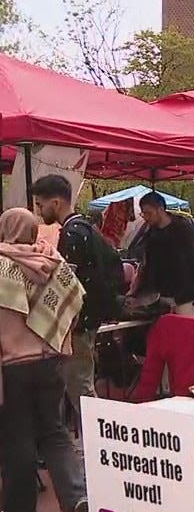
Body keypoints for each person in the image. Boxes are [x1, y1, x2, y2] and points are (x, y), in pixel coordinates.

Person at [0, 208, 89, 512]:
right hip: (51, 360)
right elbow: (75, 305)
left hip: (13, 364)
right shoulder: (52, 262)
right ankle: (76, 495)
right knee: (54, 430)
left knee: (18, 435)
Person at [31, 175, 125, 412]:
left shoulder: (72, 234)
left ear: (55, 203)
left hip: (78, 322)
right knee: (79, 381)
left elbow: (67, 284)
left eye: (40, 205)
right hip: (90, 317)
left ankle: (94, 441)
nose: (39, 211)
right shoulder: (88, 229)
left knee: (79, 384)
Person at [135, 192, 194, 317]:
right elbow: (149, 264)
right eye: (144, 214)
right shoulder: (151, 234)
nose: (146, 217)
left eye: (149, 213)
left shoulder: (183, 229)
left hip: (186, 295)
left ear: (160, 209)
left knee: (185, 332)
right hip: (162, 295)